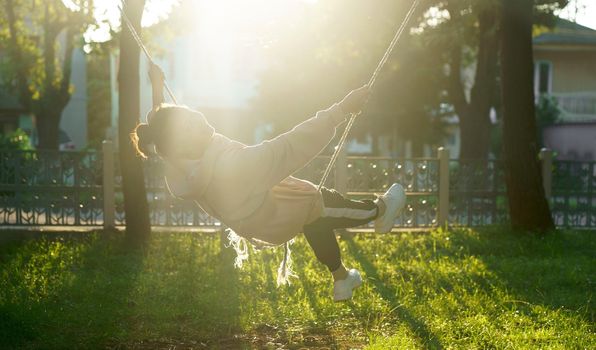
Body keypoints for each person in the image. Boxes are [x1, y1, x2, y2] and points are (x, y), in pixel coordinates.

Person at [131, 63, 406, 302]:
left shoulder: (179, 164)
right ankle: (380, 210)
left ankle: (341, 278)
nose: (199, 118)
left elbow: (161, 131)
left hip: (251, 213)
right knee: (322, 203)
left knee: (314, 220)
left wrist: (157, 87)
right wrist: (342, 109)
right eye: (191, 124)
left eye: (191, 113)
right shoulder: (232, 166)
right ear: (184, 143)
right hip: (271, 213)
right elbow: (287, 147)